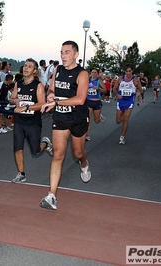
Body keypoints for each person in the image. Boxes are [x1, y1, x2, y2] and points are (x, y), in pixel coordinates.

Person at [39, 41, 91, 210]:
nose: (63, 55)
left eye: (67, 52)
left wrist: (57, 102)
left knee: (78, 153)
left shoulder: (82, 74)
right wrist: (51, 97)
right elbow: (52, 89)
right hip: (61, 116)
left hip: (77, 118)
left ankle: (84, 163)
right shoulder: (58, 70)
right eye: (62, 52)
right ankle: (52, 196)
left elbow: (80, 99)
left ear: (76, 54)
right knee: (58, 155)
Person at [9, 58, 53, 183]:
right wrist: (15, 101)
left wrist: (26, 107)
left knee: (36, 151)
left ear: (34, 71)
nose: (26, 68)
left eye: (29, 66)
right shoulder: (18, 84)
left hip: (33, 122)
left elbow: (42, 104)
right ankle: (21, 173)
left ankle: (45, 143)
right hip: (19, 122)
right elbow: (11, 99)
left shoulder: (38, 86)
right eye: (25, 66)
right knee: (17, 148)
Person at [113, 65, 143, 144]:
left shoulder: (135, 80)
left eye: (130, 71)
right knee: (118, 121)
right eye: (127, 71)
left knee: (126, 119)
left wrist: (139, 93)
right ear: (125, 71)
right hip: (121, 100)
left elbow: (140, 89)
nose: (128, 73)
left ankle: (122, 137)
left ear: (132, 71)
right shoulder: (120, 79)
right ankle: (123, 119)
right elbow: (114, 88)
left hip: (129, 101)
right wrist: (117, 95)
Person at [85, 68, 106, 141]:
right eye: (92, 72)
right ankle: (87, 135)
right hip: (89, 101)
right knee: (88, 118)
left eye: (95, 72)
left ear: (97, 74)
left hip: (97, 102)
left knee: (96, 120)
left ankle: (99, 116)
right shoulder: (87, 80)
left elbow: (105, 90)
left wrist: (98, 88)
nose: (93, 74)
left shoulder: (99, 81)